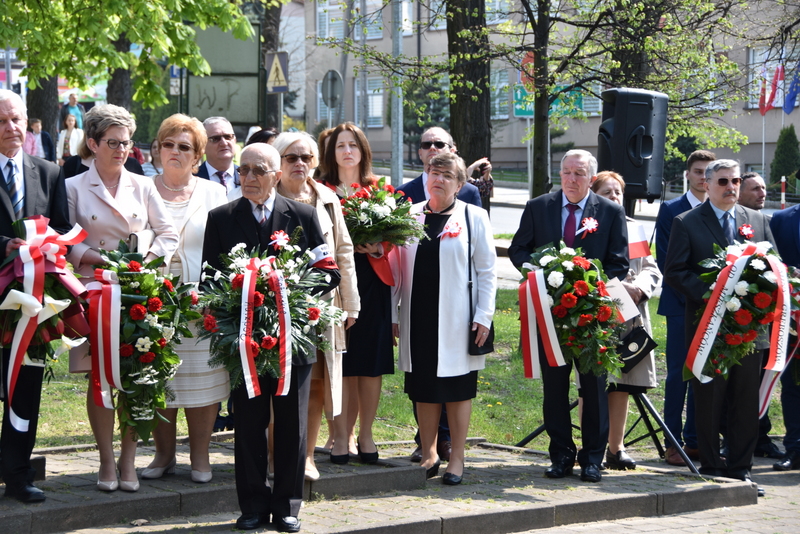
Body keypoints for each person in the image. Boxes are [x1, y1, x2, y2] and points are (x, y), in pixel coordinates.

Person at [202, 143, 340, 532]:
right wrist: (239, 296)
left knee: (293, 425)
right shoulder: (221, 218)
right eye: (243, 170)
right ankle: (251, 506)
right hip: (244, 342)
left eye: (258, 171)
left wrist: (290, 292)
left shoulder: (303, 215)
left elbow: (329, 271)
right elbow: (208, 280)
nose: (248, 177)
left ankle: (287, 507)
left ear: (276, 176)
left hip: (293, 340)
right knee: (248, 424)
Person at [65, 104, 179, 494]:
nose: (121, 150)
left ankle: (128, 459)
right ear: (93, 143)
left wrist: (143, 260)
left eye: (126, 143)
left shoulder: (144, 185)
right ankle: (105, 459)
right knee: (99, 377)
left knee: (137, 376)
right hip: (94, 293)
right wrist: (101, 260)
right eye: (112, 142)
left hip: (138, 293)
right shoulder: (73, 187)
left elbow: (168, 233)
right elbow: (65, 240)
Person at [508, 149, 628, 483]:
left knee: (594, 388)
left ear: (591, 178)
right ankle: (561, 454)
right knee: (555, 387)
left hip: (592, 316)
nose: (572, 179)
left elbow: (619, 262)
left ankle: (592, 459)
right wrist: (538, 274)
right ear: (559, 174)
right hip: (550, 314)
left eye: (579, 173)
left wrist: (590, 286)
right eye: (566, 172)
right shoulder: (538, 207)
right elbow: (519, 249)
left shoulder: (610, 211)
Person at [664, 159, 773, 497]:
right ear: (707, 184)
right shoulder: (686, 222)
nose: (731, 187)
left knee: (744, 401)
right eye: (723, 181)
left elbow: (773, 267)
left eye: (735, 181)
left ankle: (741, 469)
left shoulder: (757, 220)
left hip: (749, 328)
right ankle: (711, 467)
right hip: (708, 327)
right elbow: (675, 271)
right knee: (709, 399)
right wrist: (715, 293)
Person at [393, 152, 496, 485]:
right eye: (433, 172)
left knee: (457, 388)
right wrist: (394, 311)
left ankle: (457, 458)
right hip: (417, 315)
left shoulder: (473, 217)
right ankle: (429, 453)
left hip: (458, 318)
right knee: (423, 387)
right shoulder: (409, 215)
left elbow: (487, 271)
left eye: (447, 175)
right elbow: (395, 268)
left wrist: (484, 315)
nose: (438, 179)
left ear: (460, 184)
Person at [140, 114, 230, 484]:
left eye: (184, 146)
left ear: (197, 156)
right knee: (158, 376)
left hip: (201, 301)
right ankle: (163, 454)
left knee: (203, 379)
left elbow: (225, 249)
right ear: (158, 149)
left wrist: (215, 295)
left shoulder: (214, 193)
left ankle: (200, 455)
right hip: (150, 300)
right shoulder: (141, 188)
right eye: (168, 144)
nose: (175, 151)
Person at [272, 131, 360, 481]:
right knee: (275, 384)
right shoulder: (267, 194)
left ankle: (305, 456)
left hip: (322, 306)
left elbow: (344, 251)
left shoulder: (327, 198)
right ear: (278, 161)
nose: (300, 164)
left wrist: (350, 304)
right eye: (291, 157)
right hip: (273, 305)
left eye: (306, 158)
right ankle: (274, 455)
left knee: (317, 384)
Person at [0, 89, 71, 503]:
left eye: (17, 119)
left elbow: (61, 228)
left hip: (32, 303)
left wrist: (48, 248)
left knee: (25, 388)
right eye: (2, 121)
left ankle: (18, 473)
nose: (11, 128)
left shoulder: (48, 172)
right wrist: (5, 246)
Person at [318, 122, 392, 465]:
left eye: (353, 145)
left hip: (373, 281)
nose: (347, 151)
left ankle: (366, 434)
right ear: (331, 153)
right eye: (340, 145)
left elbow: (396, 235)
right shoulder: (321, 190)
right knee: (341, 358)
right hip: (335, 282)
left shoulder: (380, 190)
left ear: (363, 151)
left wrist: (378, 246)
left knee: (371, 364)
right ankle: (341, 434)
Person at [591, 171, 661, 470]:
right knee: (592, 384)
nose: (614, 197)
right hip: (597, 314)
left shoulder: (633, 228)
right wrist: (618, 290)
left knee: (622, 382)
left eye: (618, 192)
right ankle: (591, 448)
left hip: (630, 316)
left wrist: (640, 288)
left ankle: (615, 448)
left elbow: (649, 268)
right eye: (607, 192)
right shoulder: (589, 226)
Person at [655, 149, 715, 466]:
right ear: (688, 174)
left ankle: (695, 440)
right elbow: (667, 260)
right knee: (679, 374)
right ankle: (672, 441)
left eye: (708, 172)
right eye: (698, 171)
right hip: (681, 305)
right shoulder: (671, 210)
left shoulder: (718, 209)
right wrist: (699, 294)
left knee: (703, 372)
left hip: (714, 306)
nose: (703, 177)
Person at [769, 205, 800, 472]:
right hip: (792, 319)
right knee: (792, 384)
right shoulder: (781, 219)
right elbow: (771, 263)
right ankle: (795, 448)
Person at [397, 127, 482, 208]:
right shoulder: (402, 193)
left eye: (439, 144)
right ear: (420, 153)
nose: (432, 148)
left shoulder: (470, 192)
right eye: (426, 145)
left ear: (452, 151)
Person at [196, 116, 240, 198]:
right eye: (215, 139)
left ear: (234, 140)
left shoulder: (247, 176)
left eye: (228, 137)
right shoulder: (192, 179)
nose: (224, 143)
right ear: (203, 146)